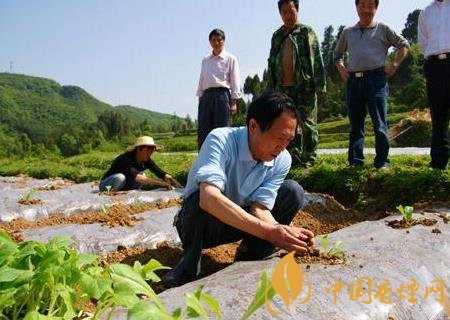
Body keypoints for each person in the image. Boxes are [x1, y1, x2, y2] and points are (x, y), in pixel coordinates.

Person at [162, 92, 315, 288]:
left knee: (293, 192)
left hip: (240, 221)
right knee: (201, 195)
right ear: (253, 126)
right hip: (203, 225)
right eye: (279, 138)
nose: (282, 147)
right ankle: (189, 262)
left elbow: (260, 207)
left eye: (289, 140)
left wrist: (280, 230)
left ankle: (250, 253)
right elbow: (208, 199)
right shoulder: (221, 139)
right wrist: (270, 233)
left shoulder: (282, 159)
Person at [334, 0, 409, 169]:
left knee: (379, 123)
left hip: (376, 79)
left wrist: (395, 65)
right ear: (357, 7)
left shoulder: (383, 28)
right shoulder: (348, 32)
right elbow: (337, 54)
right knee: (355, 125)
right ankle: (355, 162)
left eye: (370, 5)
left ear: (376, 8)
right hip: (354, 81)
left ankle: (382, 161)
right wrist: (341, 68)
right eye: (362, 5)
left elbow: (404, 45)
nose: (366, 9)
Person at [267, 0, 326, 167]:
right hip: (283, 89)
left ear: (297, 10)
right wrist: (271, 89)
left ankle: (309, 159)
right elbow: (271, 62)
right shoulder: (277, 35)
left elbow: (316, 59)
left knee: (307, 124)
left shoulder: (306, 32)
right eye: (284, 12)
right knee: (286, 125)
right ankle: (291, 159)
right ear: (280, 13)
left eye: (290, 11)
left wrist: (320, 85)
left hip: (305, 87)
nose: (287, 15)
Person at [196, 28, 242, 149]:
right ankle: (203, 160)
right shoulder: (206, 60)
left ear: (224, 41)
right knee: (204, 129)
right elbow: (202, 79)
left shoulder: (230, 58)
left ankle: (223, 160)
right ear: (210, 41)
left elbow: (235, 80)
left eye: (219, 40)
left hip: (222, 96)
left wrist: (234, 102)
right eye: (213, 40)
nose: (216, 42)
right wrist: (200, 97)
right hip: (206, 96)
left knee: (222, 130)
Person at [418, 0, 450, 170]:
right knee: (438, 116)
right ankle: (438, 163)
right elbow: (423, 43)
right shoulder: (426, 12)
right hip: (434, 66)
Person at [99, 136, 182, 192]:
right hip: (107, 184)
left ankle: (127, 193)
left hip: (124, 185)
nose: (150, 153)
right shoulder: (125, 159)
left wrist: (170, 178)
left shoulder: (146, 160)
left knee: (142, 174)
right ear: (139, 149)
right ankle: (110, 194)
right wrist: (162, 183)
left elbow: (158, 171)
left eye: (152, 150)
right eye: (148, 149)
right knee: (120, 178)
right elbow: (139, 178)